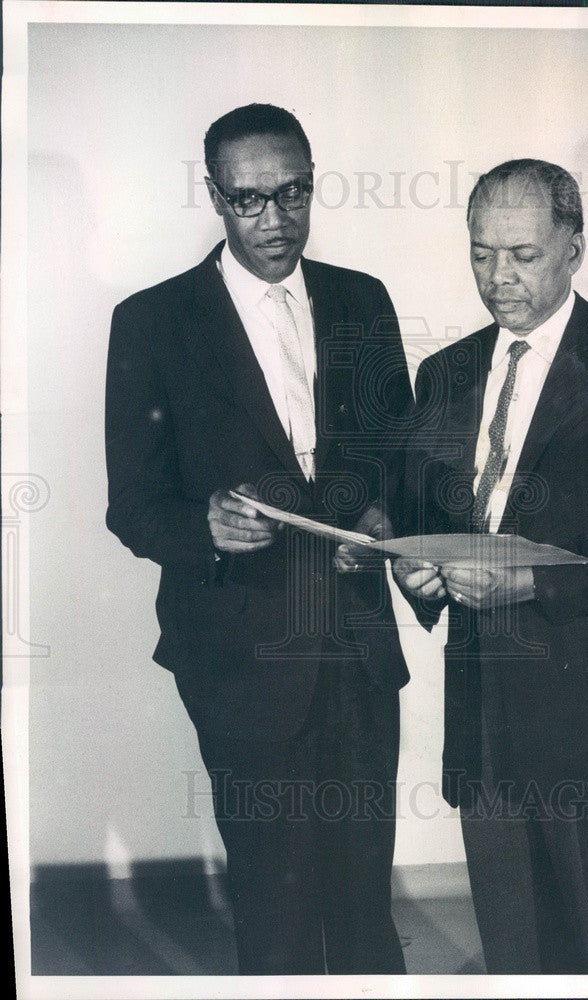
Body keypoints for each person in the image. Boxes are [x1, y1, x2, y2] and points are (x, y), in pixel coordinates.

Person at [105, 103, 412, 975]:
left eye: (293, 194)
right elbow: (131, 504)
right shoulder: (152, 321)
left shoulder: (364, 299)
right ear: (214, 196)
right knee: (273, 909)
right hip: (237, 655)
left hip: (355, 641)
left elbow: (394, 456)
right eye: (249, 202)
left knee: (363, 905)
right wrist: (199, 524)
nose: (275, 222)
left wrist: (383, 517)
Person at [394, 158, 588, 973]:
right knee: (520, 961)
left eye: (523, 255)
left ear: (575, 248)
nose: (498, 278)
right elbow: (426, 519)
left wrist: (531, 580)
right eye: (480, 253)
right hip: (487, 730)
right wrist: (415, 571)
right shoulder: (446, 373)